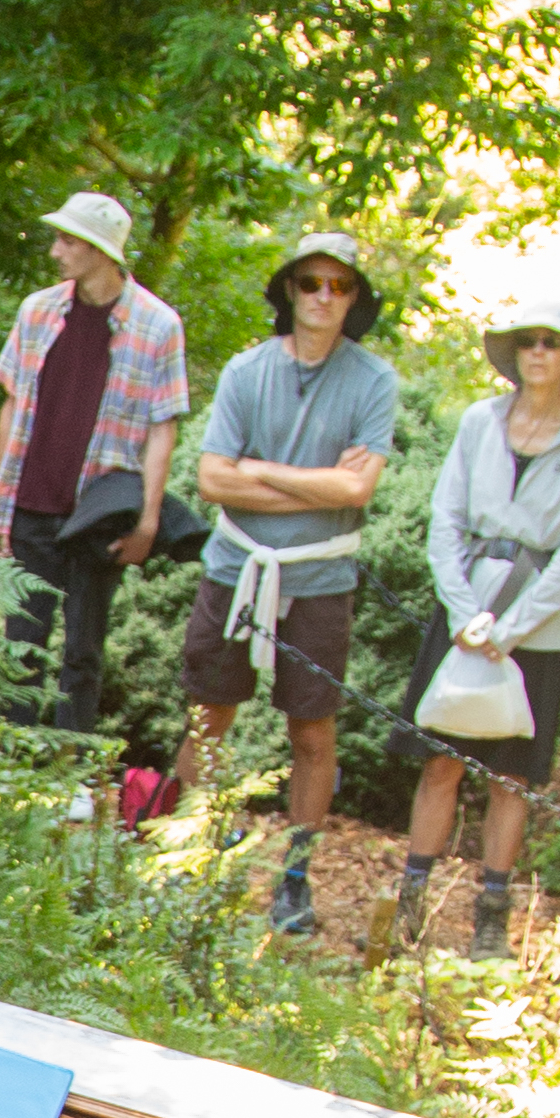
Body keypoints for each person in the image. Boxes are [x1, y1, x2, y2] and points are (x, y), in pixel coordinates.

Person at [170, 229, 403, 941]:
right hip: (235, 567)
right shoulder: (247, 371)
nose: (324, 297)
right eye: (312, 284)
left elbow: (357, 489)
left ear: (355, 299)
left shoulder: (374, 381)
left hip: (321, 575)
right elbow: (211, 478)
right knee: (208, 714)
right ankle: (186, 858)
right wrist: (314, 483)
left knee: (313, 728)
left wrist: (261, 470)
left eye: (340, 286)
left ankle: (294, 877)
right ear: (290, 291)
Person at [394, 297, 560, 964]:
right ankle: (412, 904)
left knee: (511, 778)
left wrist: (514, 629)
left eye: (553, 342)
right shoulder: (478, 421)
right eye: (529, 342)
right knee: (439, 763)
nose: (539, 352)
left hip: (540, 625)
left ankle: (490, 919)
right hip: (466, 611)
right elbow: (445, 520)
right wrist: (466, 617)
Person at [0, 192, 188, 746]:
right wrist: (0, 503)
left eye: (68, 240)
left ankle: (72, 770)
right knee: (20, 645)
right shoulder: (38, 311)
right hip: (31, 505)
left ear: (100, 249)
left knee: (84, 651)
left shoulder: (158, 326)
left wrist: (146, 522)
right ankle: (6, 767)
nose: (56, 250)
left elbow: (163, 429)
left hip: (98, 515)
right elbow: (11, 405)